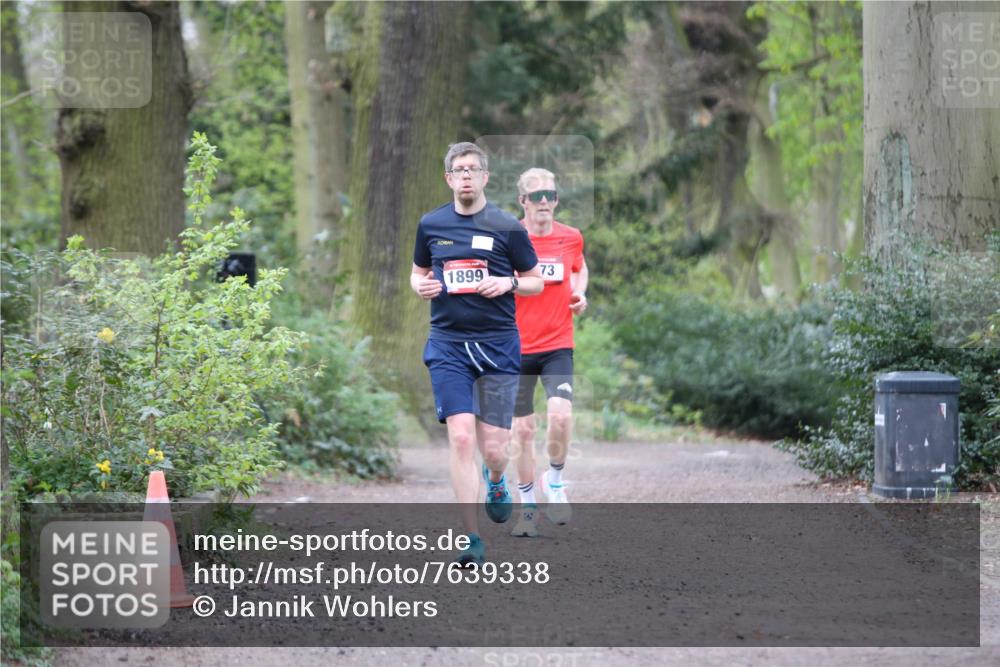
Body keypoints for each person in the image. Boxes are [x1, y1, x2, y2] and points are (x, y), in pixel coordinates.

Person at [411, 143, 544, 565]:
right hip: (448, 344)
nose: (466, 176)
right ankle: (471, 538)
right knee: (462, 436)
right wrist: (422, 287)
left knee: (494, 448)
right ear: (449, 179)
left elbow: (536, 281)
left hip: (498, 345)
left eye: (473, 169)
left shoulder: (507, 227)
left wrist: (508, 284)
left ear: (485, 177)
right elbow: (417, 275)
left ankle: (498, 479)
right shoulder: (431, 224)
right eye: (458, 170)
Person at [509, 168, 588, 538]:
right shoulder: (507, 238)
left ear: (556, 200)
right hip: (514, 346)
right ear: (522, 201)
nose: (544, 202)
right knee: (522, 430)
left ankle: (554, 479)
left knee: (560, 417)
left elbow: (579, 267)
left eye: (550, 195)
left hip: (557, 343)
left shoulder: (571, 237)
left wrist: (579, 292)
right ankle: (526, 508)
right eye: (536, 196)